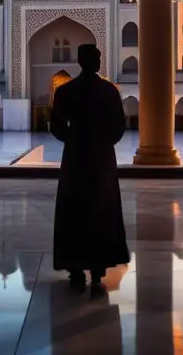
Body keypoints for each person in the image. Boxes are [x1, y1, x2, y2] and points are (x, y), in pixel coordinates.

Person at [50, 43, 130, 297]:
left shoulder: (66, 91)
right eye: (95, 58)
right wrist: (102, 141)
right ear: (90, 61)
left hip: (75, 157)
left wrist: (75, 140)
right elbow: (119, 125)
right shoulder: (108, 91)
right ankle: (97, 269)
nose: (97, 62)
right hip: (101, 158)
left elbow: (56, 126)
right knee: (100, 208)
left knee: (74, 208)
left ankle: (75, 268)